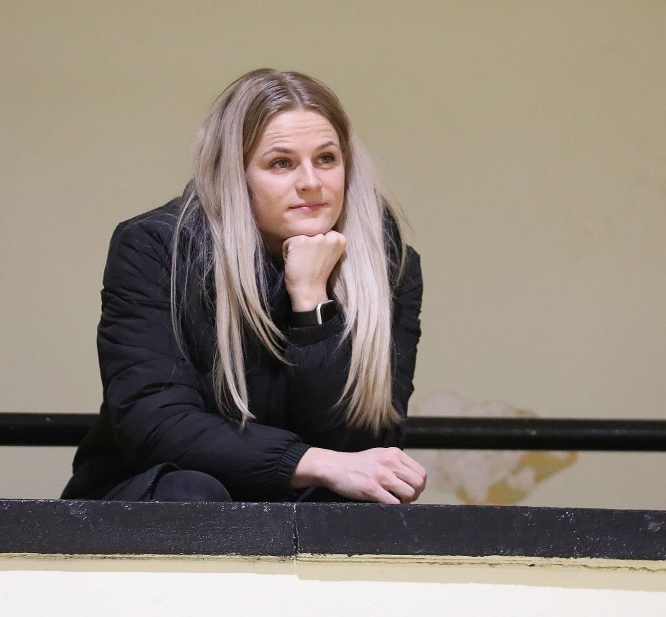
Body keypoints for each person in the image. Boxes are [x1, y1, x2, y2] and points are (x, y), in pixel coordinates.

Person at [62, 69, 426, 504]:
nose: (311, 182)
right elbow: (156, 423)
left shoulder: (388, 269)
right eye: (281, 163)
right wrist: (313, 462)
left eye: (326, 158)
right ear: (234, 174)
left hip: (301, 505)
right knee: (192, 491)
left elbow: (365, 444)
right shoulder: (157, 249)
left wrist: (312, 302)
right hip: (162, 497)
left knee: (358, 506)